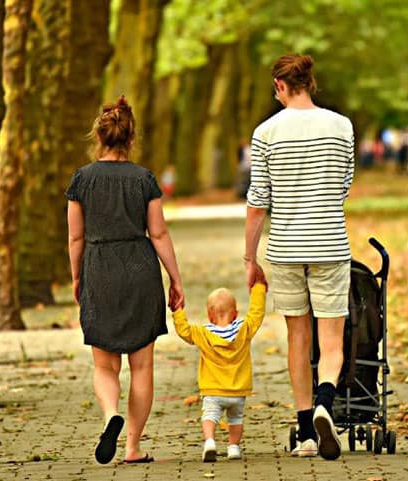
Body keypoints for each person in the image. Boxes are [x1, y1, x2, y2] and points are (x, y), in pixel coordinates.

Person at [244, 54, 354, 461]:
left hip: (286, 249)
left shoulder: (266, 132)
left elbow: (258, 201)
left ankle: (307, 431)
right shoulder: (341, 126)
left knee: (297, 337)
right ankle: (327, 400)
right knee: (331, 338)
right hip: (329, 244)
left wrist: (249, 257)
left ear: (280, 86)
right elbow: (344, 185)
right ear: (311, 82)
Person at [65, 96, 185, 465]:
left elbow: (75, 238)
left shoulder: (82, 180)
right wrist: (175, 279)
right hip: (139, 268)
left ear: (99, 137)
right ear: (131, 138)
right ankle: (132, 447)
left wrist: (77, 277)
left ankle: (109, 416)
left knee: (105, 366)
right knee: (143, 367)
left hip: (99, 268)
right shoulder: (144, 178)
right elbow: (160, 234)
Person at [172, 282, 267, 462]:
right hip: (238, 391)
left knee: (209, 416)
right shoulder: (244, 329)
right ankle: (233, 448)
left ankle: (209, 442)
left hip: (212, 391)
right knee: (236, 419)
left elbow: (183, 331)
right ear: (235, 314)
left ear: (209, 315)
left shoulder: (202, 333)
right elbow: (257, 314)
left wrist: (178, 311)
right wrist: (258, 289)